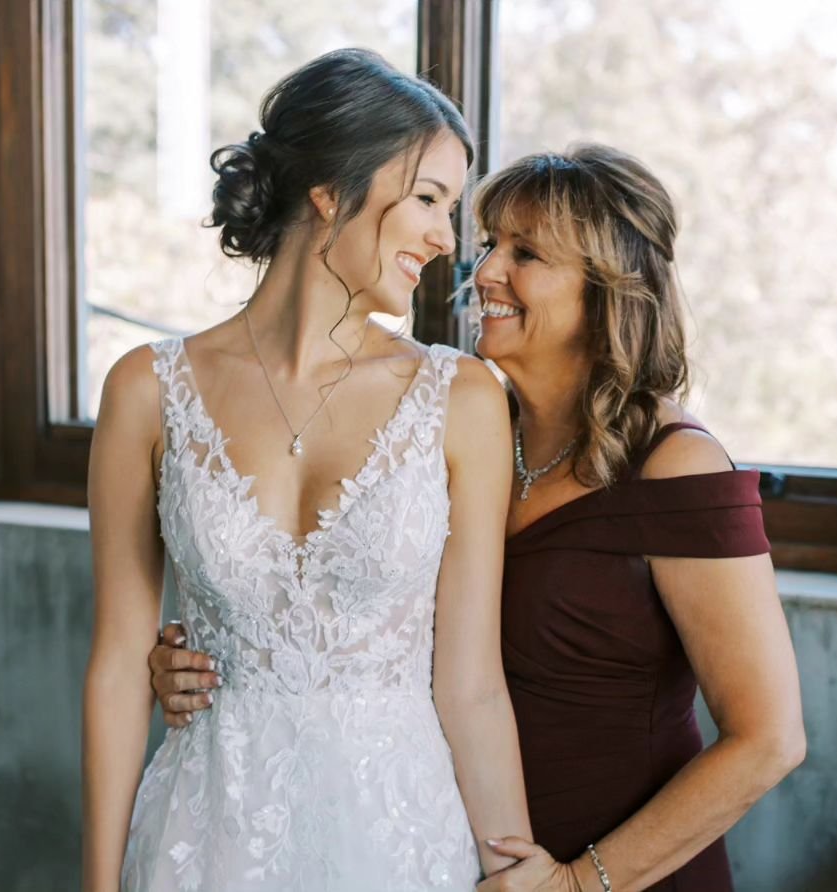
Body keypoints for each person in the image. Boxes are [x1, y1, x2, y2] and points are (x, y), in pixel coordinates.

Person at [149, 144, 806, 891]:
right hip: (440, 852)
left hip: (615, 874)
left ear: (608, 288)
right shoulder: (462, 427)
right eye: (490, 243)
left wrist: (577, 883)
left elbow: (769, 740)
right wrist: (208, 660)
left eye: (524, 253)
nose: (483, 270)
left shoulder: (673, 465)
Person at [82, 48, 532, 892]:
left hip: (398, 844)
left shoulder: (460, 398)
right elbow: (116, 667)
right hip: (201, 837)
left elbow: (471, 686)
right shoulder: (147, 389)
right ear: (330, 192)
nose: (446, 239)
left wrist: (515, 870)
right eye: (428, 199)